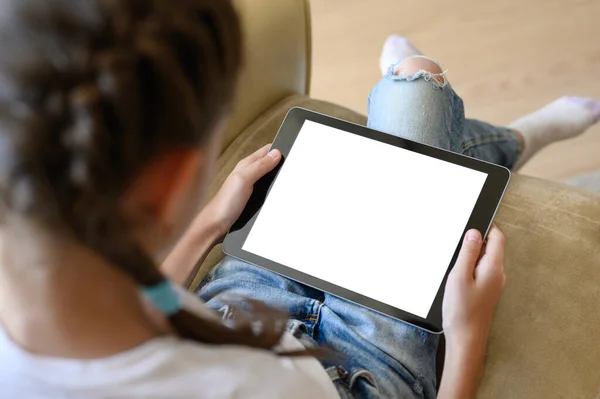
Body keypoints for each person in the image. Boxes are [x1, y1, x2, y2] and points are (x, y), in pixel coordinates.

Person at [0, 0, 599, 397]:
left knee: (413, 101)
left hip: (248, 287)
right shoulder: (247, 390)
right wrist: (468, 332)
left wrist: (213, 221)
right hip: (367, 358)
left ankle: (499, 138)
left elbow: (139, 303)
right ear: (172, 181)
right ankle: (507, 140)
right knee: (417, 86)